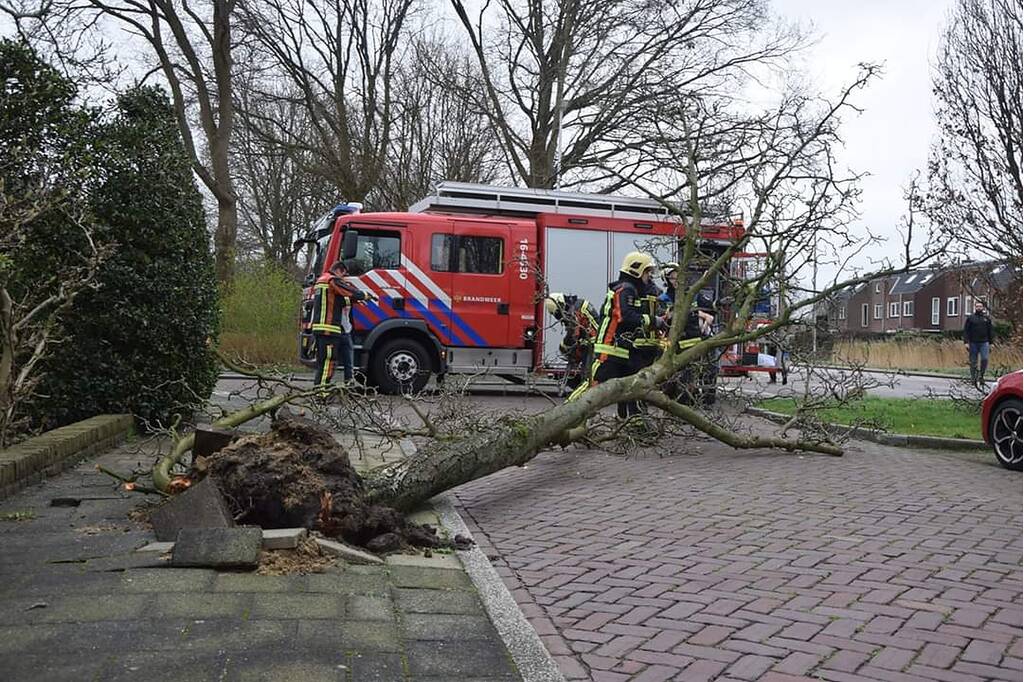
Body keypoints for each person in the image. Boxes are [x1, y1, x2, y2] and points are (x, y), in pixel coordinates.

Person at [590, 251, 663, 419]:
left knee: (627, 389)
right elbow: (626, 316)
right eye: (647, 272)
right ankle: (568, 416)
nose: (649, 276)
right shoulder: (625, 289)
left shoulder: (633, 290)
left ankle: (630, 421)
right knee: (593, 389)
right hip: (609, 347)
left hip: (622, 349)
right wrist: (653, 320)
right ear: (636, 270)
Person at [312, 259, 376, 386]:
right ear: (338, 270)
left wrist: (355, 301)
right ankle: (321, 392)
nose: (343, 278)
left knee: (322, 363)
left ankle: (319, 388)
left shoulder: (321, 281)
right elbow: (348, 290)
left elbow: (337, 300)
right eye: (343, 274)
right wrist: (365, 295)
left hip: (319, 328)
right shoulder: (332, 280)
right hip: (329, 329)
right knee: (328, 362)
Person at [545, 292, 599, 387]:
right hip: (592, 343)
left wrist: (564, 346)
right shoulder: (577, 304)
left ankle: (587, 392)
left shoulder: (573, 311)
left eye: (557, 313)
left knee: (587, 376)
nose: (559, 317)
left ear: (561, 305)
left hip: (593, 345)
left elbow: (573, 334)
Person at [963, 299, 994, 386]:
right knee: (973, 361)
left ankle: (981, 376)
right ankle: (973, 378)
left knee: (985, 359)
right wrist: (966, 342)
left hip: (984, 342)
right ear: (975, 307)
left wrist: (991, 343)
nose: (978, 308)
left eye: (980, 306)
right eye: (977, 306)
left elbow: (990, 331)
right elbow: (966, 331)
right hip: (973, 343)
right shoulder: (971, 318)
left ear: (983, 307)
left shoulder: (987, 318)